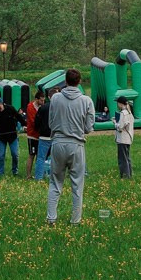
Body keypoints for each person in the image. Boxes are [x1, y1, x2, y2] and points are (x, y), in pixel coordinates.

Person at [45, 70, 95, 224]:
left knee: (55, 182)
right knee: (77, 184)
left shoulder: (55, 98)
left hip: (58, 142)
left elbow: (51, 122)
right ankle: (75, 219)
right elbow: (89, 127)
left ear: (65, 81)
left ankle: (51, 218)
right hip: (77, 144)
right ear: (79, 82)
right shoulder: (86, 101)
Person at [0, 96, 22, 176]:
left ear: (0, 104)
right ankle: (1, 173)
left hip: (12, 136)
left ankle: (15, 170)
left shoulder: (10, 109)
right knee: (1, 156)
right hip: (1, 137)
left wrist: (24, 125)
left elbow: (19, 117)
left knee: (15, 154)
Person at [113, 95, 136, 178]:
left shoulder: (123, 113)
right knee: (127, 157)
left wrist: (115, 123)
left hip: (122, 138)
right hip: (128, 138)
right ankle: (129, 173)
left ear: (120, 104)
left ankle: (125, 175)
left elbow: (120, 127)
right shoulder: (130, 112)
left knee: (122, 158)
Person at [30, 96, 53, 180]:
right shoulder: (61, 107)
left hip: (44, 136)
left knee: (40, 158)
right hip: (56, 136)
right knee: (56, 158)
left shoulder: (43, 107)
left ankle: (38, 177)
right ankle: (55, 177)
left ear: (49, 97)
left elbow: (37, 121)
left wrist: (39, 130)